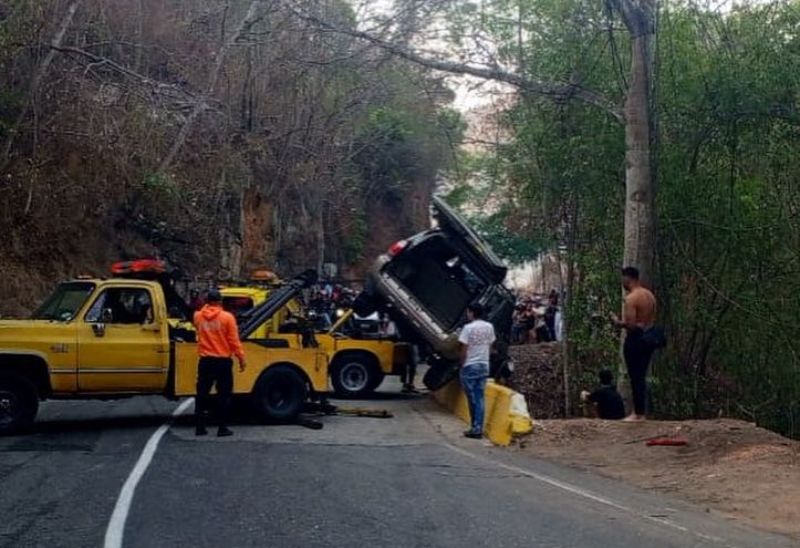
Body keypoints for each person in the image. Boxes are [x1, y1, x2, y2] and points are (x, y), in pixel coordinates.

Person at [194, 289, 247, 437]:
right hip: (223, 361)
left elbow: (198, 322)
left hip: (205, 360)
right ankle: (222, 427)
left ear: (207, 301)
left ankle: (199, 427)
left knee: (202, 393)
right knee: (223, 395)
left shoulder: (198, 317)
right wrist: (241, 358)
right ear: (220, 301)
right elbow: (233, 341)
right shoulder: (227, 318)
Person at [611, 266, 657, 422]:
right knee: (641, 375)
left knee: (635, 376)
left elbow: (630, 325)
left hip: (635, 339)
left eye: (622, 279)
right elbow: (647, 320)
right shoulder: (649, 295)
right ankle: (640, 411)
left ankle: (638, 413)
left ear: (627, 278)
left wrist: (617, 322)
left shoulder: (631, 298)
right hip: (649, 337)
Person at [458, 302, 496, 439]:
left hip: (470, 365)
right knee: (480, 397)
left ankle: (476, 427)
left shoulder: (468, 328)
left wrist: (461, 364)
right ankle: (477, 426)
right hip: (484, 365)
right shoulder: (489, 327)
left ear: (472, 313)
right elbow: (491, 346)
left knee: (471, 397)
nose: (467, 315)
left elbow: (464, 349)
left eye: (468, 312)